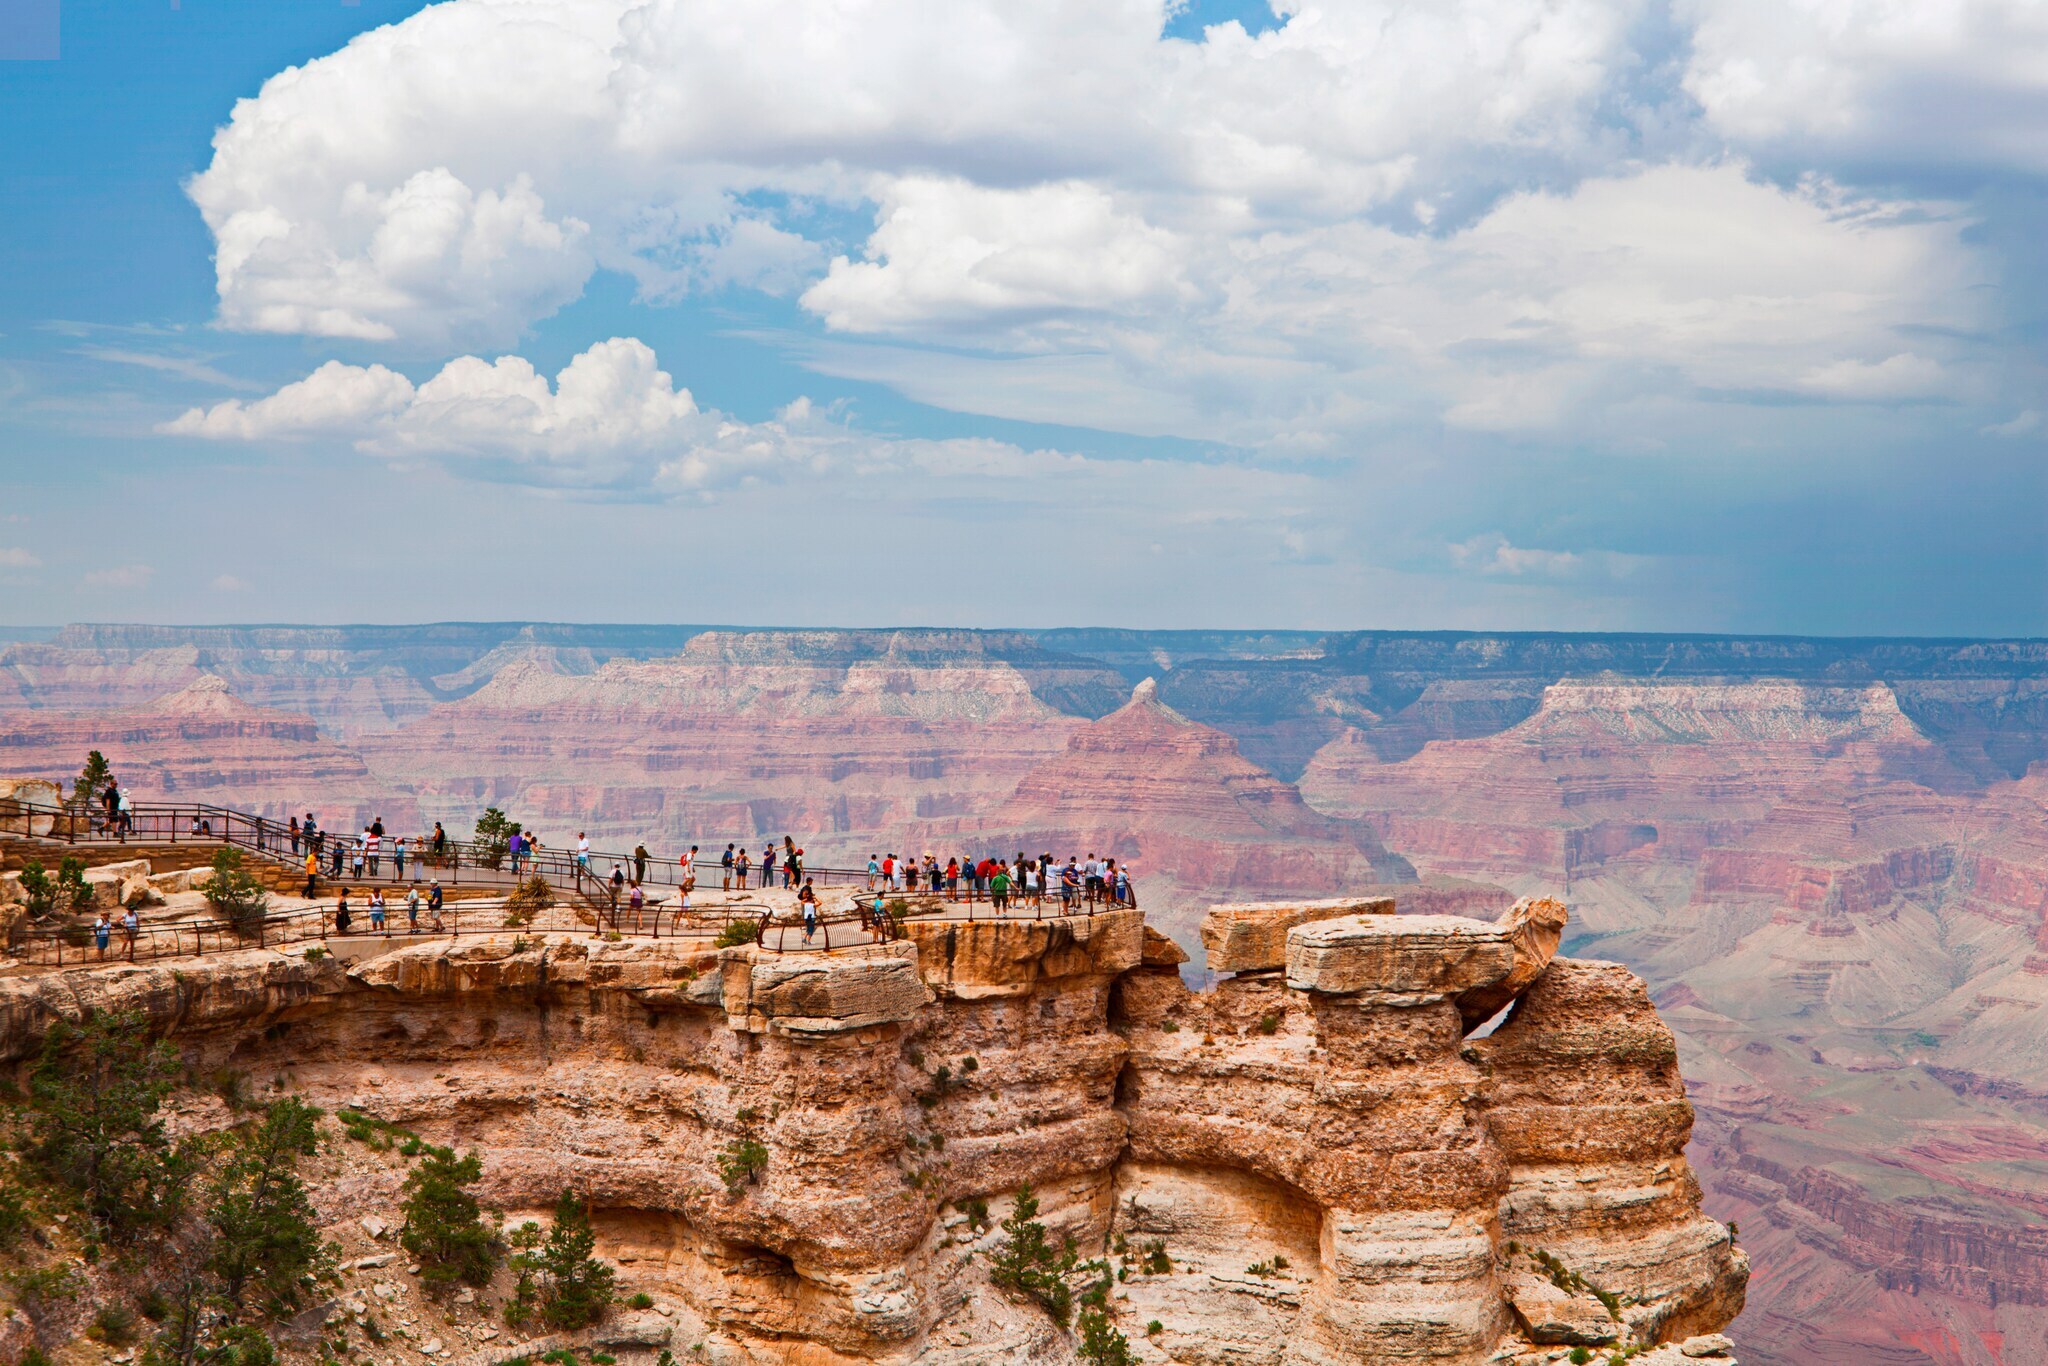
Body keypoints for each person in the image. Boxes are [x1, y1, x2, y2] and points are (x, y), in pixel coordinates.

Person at [799, 878, 819, 944]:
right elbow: (804, 895)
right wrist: (809, 898)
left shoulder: (807, 888)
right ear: (809, 881)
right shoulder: (807, 888)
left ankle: (805, 939)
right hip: (810, 914)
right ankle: (808, 941)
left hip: (807, 913)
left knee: (809, 927)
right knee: (811, 928)